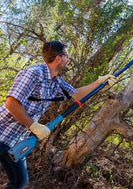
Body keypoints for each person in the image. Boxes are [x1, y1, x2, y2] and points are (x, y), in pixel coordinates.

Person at [0, 41, 116, 189]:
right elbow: (11, 103)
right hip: (2, 131)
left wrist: (100, 82)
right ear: (58, 58)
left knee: (19, 181)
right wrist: (33, 125)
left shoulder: (57, 82)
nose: (68, 60)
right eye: (66, 56)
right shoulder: (33, 73)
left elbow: (76, 94)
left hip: (16, 140)